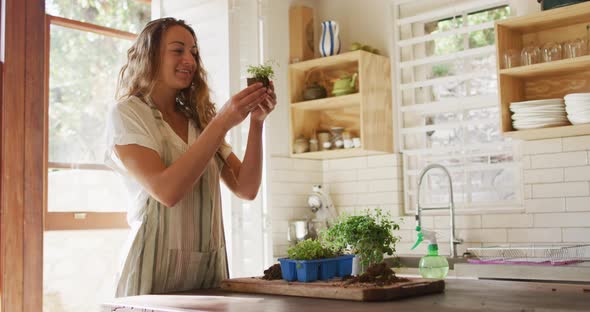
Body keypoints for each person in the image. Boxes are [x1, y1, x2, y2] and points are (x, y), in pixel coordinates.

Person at [104, 17, 276, 297]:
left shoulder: (198, 120)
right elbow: (167, 191)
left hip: (207, 275)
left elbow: (247, 188)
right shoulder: (128, 113)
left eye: (194, 52)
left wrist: (257, 122)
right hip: (151, 277)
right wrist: (222, 122)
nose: (190, 59)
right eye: (178, 50)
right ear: (151, 55)